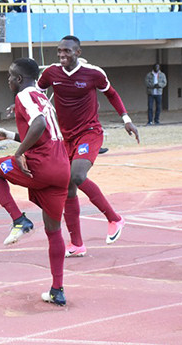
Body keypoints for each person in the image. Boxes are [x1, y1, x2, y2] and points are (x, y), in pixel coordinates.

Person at [36, 35, 140, 258]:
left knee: (77, 175)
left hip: (89, 133)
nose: (62, 55)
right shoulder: (51, 73)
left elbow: (111, 93)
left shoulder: (93, 73)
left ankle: (114, 218)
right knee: (67, 189)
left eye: (67, 51)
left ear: (78, 53)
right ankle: (77, 244)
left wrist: (126, 119)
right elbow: (36, 92)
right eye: (59, 51)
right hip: (64, 138)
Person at [0, 57, 70, 306]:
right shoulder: (43, 98)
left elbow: (39, 124)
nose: (8, 79)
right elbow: (41, 131)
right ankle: (57, 289)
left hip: (40, 166)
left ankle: (19, 220)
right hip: (61, 167)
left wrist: (19, 152)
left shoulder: (23, 96)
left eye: (11, 76)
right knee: (53, 231)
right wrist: (10, 136)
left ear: (19, 79)